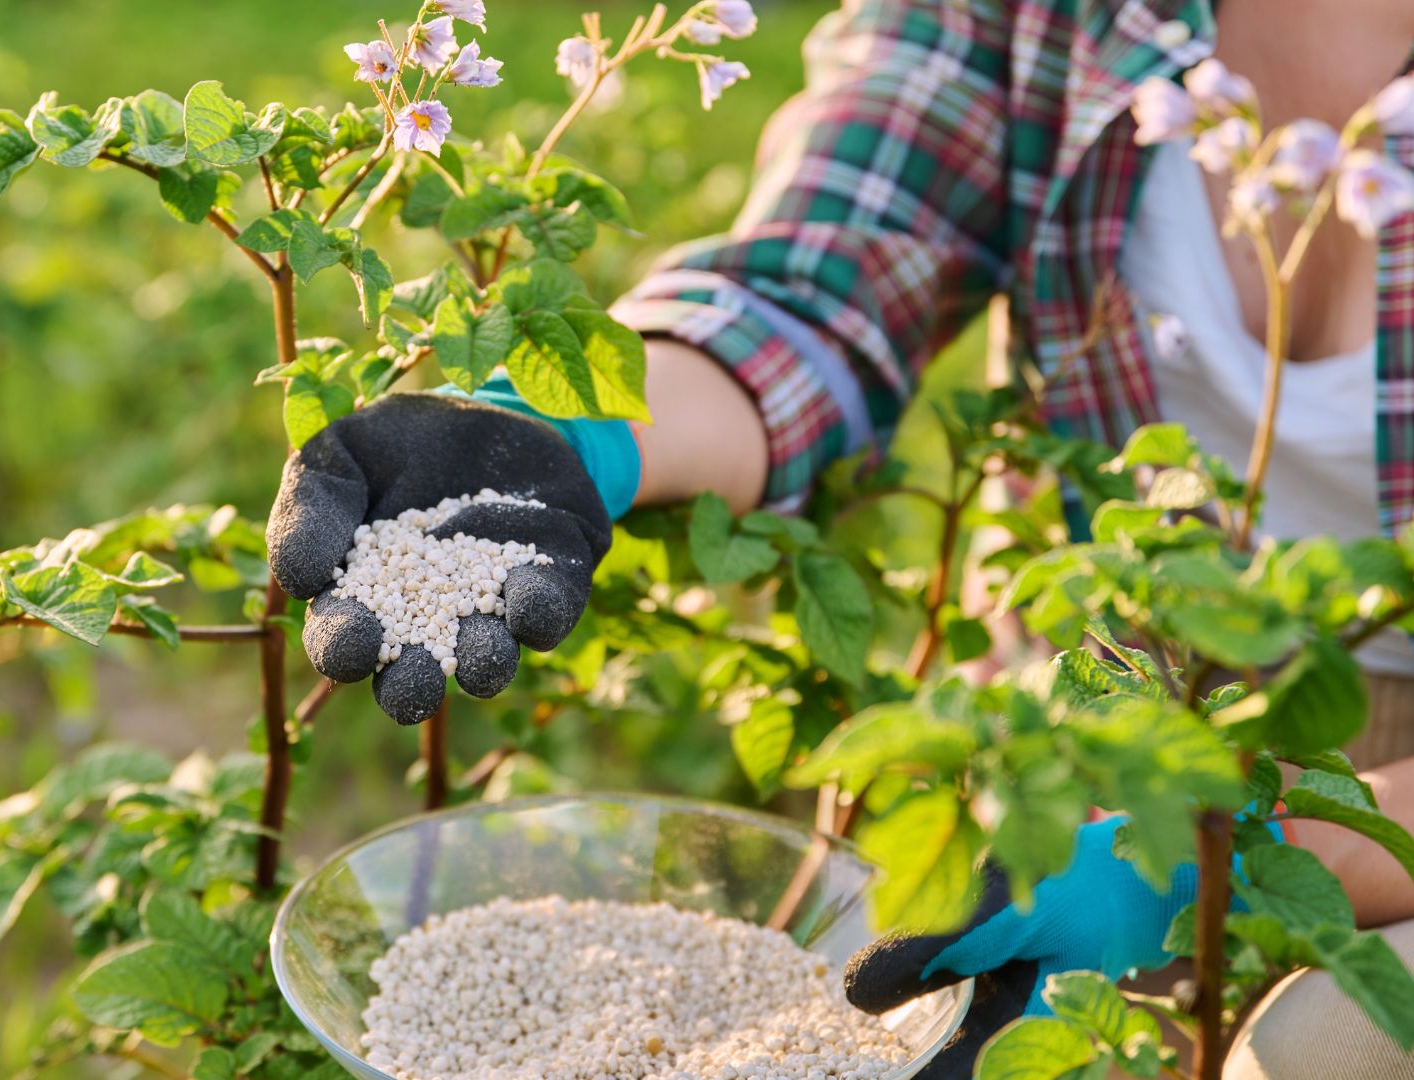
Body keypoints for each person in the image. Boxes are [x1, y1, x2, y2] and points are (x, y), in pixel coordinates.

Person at [265, 1, 1414, 1075]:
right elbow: (822, 289)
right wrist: (568, 431)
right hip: (1108, 727)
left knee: (1318, 1047)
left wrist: (1239, 866)